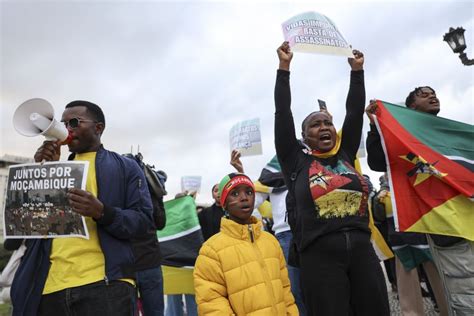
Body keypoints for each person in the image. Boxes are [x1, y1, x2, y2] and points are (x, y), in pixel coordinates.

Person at [274, 41, 389, 316]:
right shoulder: (295, 161)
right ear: (304, 136)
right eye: (316, 124)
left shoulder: (346, 154)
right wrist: (284, 68)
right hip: (320, 259)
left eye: (328, 123)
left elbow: (353, 112)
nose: (324, 127)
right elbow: (283, 112)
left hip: (363, 252)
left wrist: (357, 72)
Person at [10, 100, 154, 316]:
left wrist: (103, 212)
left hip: (105, 286)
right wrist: (42, 173)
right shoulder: (53, 166)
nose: (67, 129)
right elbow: (24, 228)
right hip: (48, 288)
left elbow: (143, 223)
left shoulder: (125, 167)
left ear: (99, 128)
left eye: (74, 122)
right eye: (63, 123)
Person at [366, 87, 474, 315]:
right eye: (424, 95)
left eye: (433, 92)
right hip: (447, 223)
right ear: (411, 108)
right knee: (465, 291)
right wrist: (375, 126)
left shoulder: (451, 132)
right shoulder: (404, 137)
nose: (432, 96)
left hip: (469, 212)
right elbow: (377, 161)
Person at [193, 173, 298, 315]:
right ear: (224, 202)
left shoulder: (271, 242)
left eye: (249, 192)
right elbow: (212, 305)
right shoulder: (210, 252)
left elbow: (285, 291)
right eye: (235, 193)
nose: (244, 198)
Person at [230, 149, 306, 315]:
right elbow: (252, 201)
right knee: (294, 290)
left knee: (320, 286)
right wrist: (241, 174)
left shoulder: (310, 165)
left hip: (314, 232)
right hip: (286, 236)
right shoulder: (272, 174)